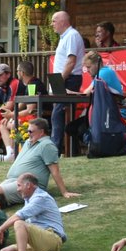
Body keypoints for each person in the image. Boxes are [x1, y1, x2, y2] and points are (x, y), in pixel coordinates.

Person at [0, 173, 67, 251]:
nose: (17, 189)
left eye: (19, 185)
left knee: (19, 223)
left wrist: (1, 229)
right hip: (39, 242)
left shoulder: (40, 198)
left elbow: (19, 216)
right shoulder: (28, 199)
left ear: (28, 185)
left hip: (52, 239)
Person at [0, 60, 44, 162]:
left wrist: (12, 115)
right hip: (33, 115)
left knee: (14, 124)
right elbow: (22, 104)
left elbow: (30, 110)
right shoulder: (29, 84)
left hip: (39, 117)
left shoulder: (33, 85)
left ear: (22, 72)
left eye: (17, 71)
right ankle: (11, 153)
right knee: (3, 124)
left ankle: (13, 154)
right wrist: (10, 115)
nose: (16, 73)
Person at [49, 11, 85, 149]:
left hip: (69, 79)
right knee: (59, 113)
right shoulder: (65, 37)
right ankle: (69, 148)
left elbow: (71, 61)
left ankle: (55, 148)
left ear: (63, 21)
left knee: (58, 113)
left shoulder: (72, 35)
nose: (52, 24)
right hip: (64, 78)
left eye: (54, 21)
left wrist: (60, 80)